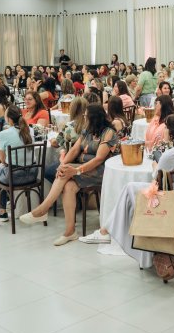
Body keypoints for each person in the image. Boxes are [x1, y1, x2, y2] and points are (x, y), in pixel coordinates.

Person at [84, 115, 174, 265]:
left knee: (129, 189)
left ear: (173, 132)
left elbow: (156, 181)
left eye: (166, 128)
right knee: (130, 191)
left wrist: (155, 166)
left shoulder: (170, 155)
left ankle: (108, 231)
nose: (164, 131)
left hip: (171, 205)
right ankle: (107, 231)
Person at [20, 104, 118, 245]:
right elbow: (74, 149)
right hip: (83, 169)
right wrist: (63, 164)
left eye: (86, 115)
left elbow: (99, 159)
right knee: (68, 186)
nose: (84, 117)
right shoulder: (88, 130)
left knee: (66, 173)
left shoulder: (108, 133)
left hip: (101, 171)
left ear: (94, 117)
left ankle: (42, 210)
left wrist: (76, 170)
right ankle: (70, 232)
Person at [0, 106, 37, 222]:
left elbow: (4, 160)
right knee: (2, 169)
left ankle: (2, 211)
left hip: (15, 176)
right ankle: (7, 206)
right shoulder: (29, 130)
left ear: (9, 119)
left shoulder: (3, 134)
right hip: (33, 173)